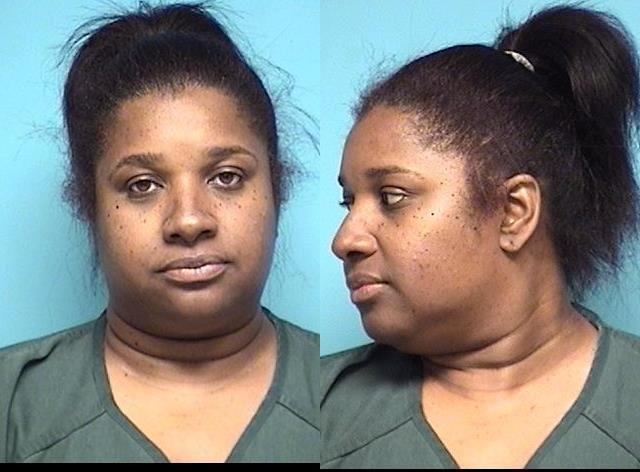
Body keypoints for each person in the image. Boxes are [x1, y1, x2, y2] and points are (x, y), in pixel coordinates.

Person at [322, 5, 640, 469]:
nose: (345, 240)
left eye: (391, 197)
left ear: (514, 212)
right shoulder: (317, 413)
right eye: (348, 202)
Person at [0, 3, 318, 463]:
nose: (189, 221)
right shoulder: (13, 405)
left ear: (277, 186)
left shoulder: (338, 396)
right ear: (88, 204)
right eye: (142, 185)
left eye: (226, 177)